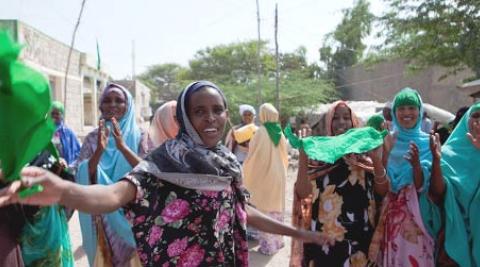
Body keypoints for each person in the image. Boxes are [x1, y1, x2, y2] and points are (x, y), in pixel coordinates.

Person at [0, 81, 326, 266]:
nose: (210, 119)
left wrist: (297, 234)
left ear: (228, 114)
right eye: (199, 111)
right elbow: (114, 195)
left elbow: (241, 211)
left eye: (217, 110)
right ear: (184, 117)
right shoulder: (164, 160)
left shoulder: (225, 161)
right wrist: (64, 190)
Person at [291, 101, 383, 267]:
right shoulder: (317, 156)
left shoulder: (365, 156)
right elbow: (303, 194)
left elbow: (382, 192)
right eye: (336, 118)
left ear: (353, 122)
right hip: (325, 239)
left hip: (359, 240)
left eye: (346, 118)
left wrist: (377, 161)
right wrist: (303, 156)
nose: (341, 122)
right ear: (328, 123)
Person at [74, 83, 145, 266]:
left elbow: (149, 174)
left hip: (133, 217)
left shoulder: (141, 136)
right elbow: (82, 177)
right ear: (100, 106)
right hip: (101, 217)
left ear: (128, 105)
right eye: (107, 100)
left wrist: (123, 147)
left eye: (119, 100)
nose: (112, 105)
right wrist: (99, 151)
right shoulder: (92, 139)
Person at [368, 88, 436, 267]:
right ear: (395, 112)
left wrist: (416, 166)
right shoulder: (387, 140)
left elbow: (423, 186)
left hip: (419, 219)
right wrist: (384, 155)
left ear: (419, 111)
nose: (407, 113)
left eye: (412, 108)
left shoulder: (429, 142)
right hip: (391, 220)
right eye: (402, 108)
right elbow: (381, 188)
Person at [427, 102, 480, 266]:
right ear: (466, 120)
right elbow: (438, 194)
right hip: (452, 239)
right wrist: (436, 162)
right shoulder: (446, 154)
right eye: (475, 116)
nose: (479, 121)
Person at [243, 103, 288, 255]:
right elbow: (285, 154)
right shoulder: (279, 132)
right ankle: (278, 241)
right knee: (276, 207)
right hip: (279, 174)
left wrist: (246, 169)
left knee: (264, 208)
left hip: (264, 176)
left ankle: (268, 246)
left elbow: (253, 155)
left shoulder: (261, 132)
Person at [50, 101, 81, 167]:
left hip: (65, 167)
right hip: (49, 167)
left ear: (62, 115)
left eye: (57, 113)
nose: (55, 116)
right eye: (53, 113)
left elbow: (78, 152)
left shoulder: (68, 132)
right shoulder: (46, 131)